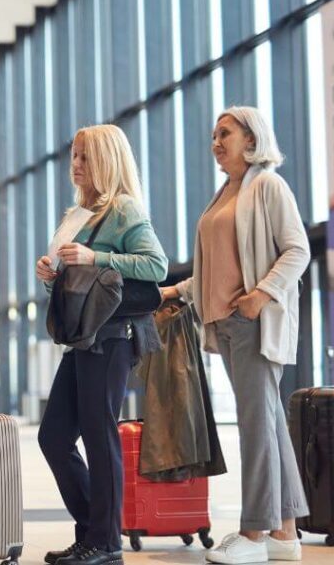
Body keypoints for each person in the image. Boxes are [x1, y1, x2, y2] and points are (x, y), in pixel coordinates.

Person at [160, 106, 310, 564]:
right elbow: (215, 269)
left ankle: (253, 531)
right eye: (213, 135)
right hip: (224, 324)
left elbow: (298, 250)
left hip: (252, 322)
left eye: (225, 133)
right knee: (267, 426)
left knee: (256, 428)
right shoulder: (225, 192)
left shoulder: (267, 185)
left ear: (252, 138)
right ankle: (284, 533)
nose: (216, 142)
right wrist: (177, 292)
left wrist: (260, 296)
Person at [35, 125, 167, 565]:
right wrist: (52, 274)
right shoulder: (77, 215)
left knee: (98, 434)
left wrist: (97, 257)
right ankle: (96, 531)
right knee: (54, 437)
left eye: (85, 158)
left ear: (107, 160)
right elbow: (78, 281)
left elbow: (156, 265)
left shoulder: (123, 209)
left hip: (113, 336)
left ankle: (105, 543)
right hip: (83, 338)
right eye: (74, 156)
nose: (75, 166)